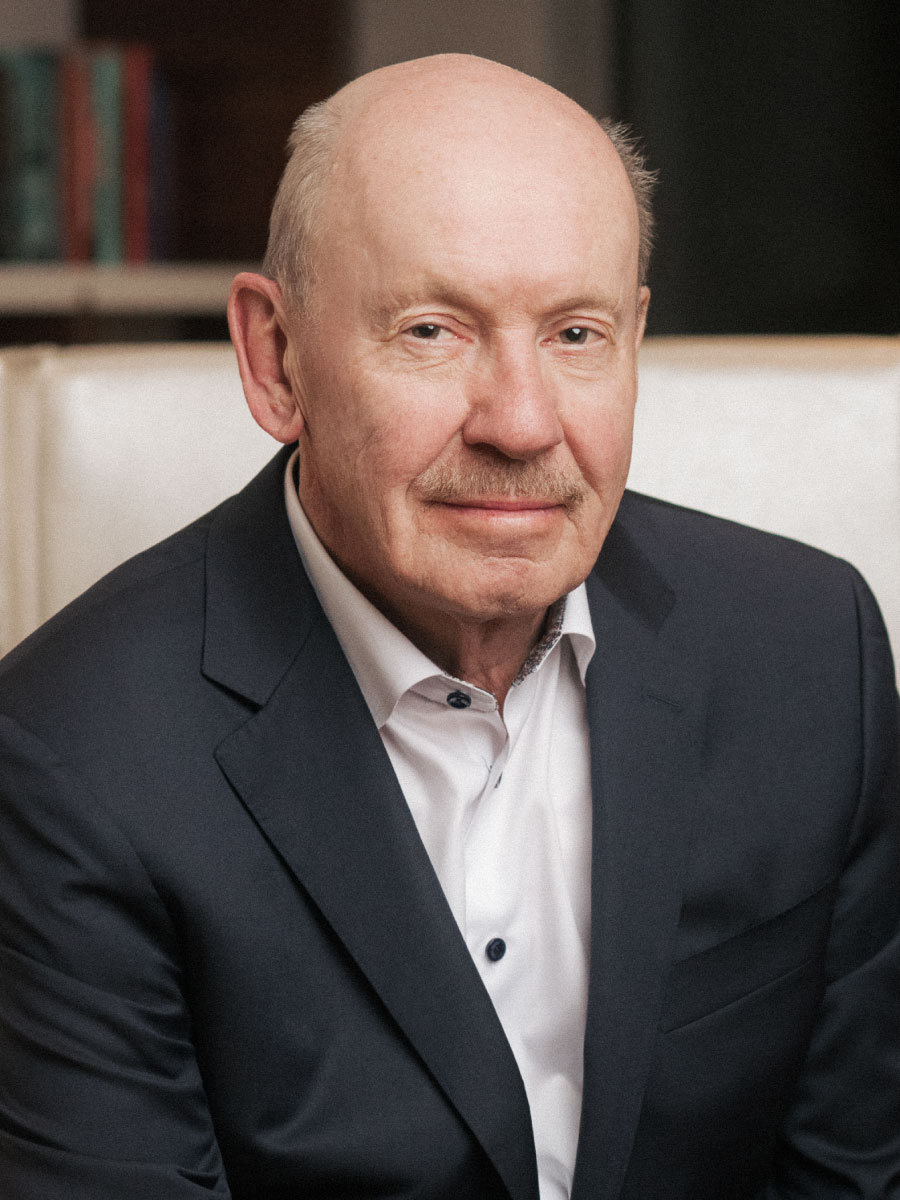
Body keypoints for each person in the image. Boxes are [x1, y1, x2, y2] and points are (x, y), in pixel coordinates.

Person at [0, 53, 898, 1200]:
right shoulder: (67, 760)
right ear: (276, 359)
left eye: (576, 335)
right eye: (433, 330)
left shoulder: (814, 655)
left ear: (634, 340)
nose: (521, 422)